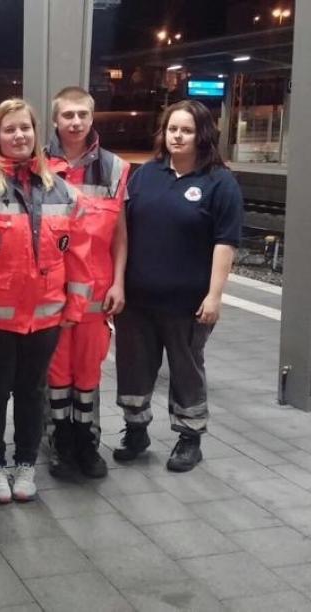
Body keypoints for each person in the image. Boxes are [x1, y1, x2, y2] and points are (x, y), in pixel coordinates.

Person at [0, 98, 93, 503]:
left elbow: (79, 257)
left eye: (25, 128)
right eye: (9, 129)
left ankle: (25, 463)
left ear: (36, 134)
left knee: (32, 393)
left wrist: (75, 307)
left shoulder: (62, 191)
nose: (19, 136)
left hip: (44, 317)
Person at [112, 99, 243, 472]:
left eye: (186, 130)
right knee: (134, 369)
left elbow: (225, 242)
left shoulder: (220, 182)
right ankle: (135, 431)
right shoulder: (146, 175)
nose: (178, 136)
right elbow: (124, 230)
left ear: (202, 135)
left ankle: (189, 438)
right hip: (138, 300)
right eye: (172, 129)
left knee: (186, 370)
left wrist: (214, 296)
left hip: (188, 304)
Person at [44, 87, 130, 480]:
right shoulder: (38, 164)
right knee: (57, 371)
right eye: (68, 115)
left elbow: (120, 234)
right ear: (55, 120)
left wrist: (119, 283)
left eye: (82, 114)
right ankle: (60, 442)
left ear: (92, 118)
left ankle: (87, 442)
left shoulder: (114, 169)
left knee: (88, 371)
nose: (75, 122)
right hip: (52, 291)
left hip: (96, 291)